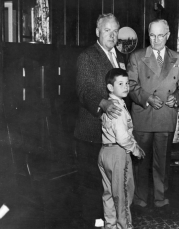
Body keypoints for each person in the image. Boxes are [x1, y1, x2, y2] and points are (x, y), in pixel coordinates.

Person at [127, 19, 179, 211]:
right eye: (152, 35)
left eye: (160, 35)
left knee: (162, 161)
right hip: (144, 115)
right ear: (148, 35)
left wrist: (177, 97)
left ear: (168, 35)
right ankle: (140, 198)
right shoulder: (137, 56)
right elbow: (130, 85)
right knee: (140, 161)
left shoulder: (177, 58)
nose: (156, 40)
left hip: (165, 115)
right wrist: (147, 98)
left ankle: (161, 198)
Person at [74, 13, 126, 227]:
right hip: (91, 131)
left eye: (115, 31)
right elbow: (84, 90)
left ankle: (110, 220)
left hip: (115, 134)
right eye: (107, 30)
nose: (112, 35)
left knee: (112, 183)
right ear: (98, 32)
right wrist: (102, 104)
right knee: (92, 184)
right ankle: (94, 222)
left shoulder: (120, 57)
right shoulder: (87, 56)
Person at [98, 68, 145, 229]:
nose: (126, 87)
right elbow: (122, 137)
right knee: (123, 195)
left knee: (109, 193)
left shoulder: (109, 105)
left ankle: (110, 225)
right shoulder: (117, 108)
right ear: (110, 87)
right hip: (118, 153)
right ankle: (125, 226)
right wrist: (135, 149)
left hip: (105, 151)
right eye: (120, 84)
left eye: (127, 83)